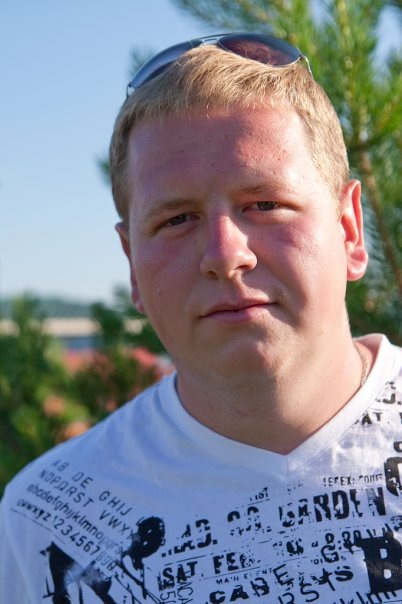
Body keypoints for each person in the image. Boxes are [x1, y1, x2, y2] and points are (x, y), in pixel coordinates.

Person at [1, 32, 401, 604]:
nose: (224, 254)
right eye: (177, 219)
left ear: (349, 230)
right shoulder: (47, 521)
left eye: (265, 204)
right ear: (132, 264)